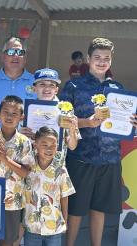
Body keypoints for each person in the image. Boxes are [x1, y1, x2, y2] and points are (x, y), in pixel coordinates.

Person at [59, 37, 131, 246]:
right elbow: (62, 120)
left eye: (106, 58)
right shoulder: (73, 85)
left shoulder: (118, 89)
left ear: (111, 61)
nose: (101, 61)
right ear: (88, 58)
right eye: (97, 57)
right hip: (81, 157)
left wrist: (133, 121)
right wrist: (86, 123)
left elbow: (124, 123)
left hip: (109, 159)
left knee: (99, 210)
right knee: (76, 210)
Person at [0, 95, 34, 246]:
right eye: (6, 112)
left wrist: (5, 159)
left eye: (14, 113)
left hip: (13, 200)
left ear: (21, 117)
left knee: (8, 240)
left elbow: (25, 172)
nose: (9, 117)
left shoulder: (24, 142)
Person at [23, 127, 75, 246]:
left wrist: (65, 220)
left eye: (53, 145)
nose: (49, 149)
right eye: (44, 144)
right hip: (32, 227)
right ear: (35, 145)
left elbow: (64, 196)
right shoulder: (27, 167)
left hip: (54, 228)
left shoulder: (60, 170)